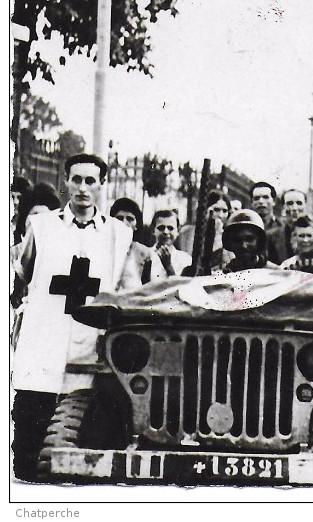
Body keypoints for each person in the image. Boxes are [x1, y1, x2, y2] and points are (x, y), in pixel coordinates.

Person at [11, 153, 137, 481]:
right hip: (46, 334)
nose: (82, 188)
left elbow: (129, 288)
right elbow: (24, 273)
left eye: (90, 181)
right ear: (66, 182)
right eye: (76, 180)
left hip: (90, 345)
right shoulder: (41, 227)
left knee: (85, 459)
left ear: (101, 185)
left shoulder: (118, 235)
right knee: (29, 461)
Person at [146, 209, 192, 281]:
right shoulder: (144, 255)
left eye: (170, 228)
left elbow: (184, 289)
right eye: (161, 228)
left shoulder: (185, 259)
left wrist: (168, 266)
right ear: (153, 230)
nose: (165, 232)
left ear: (178, 231)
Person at [266, 188, 309, 263]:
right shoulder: (271, 237)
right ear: (283, 207)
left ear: (305, 206)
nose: (295, 208)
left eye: (299, 203)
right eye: (289, 203)